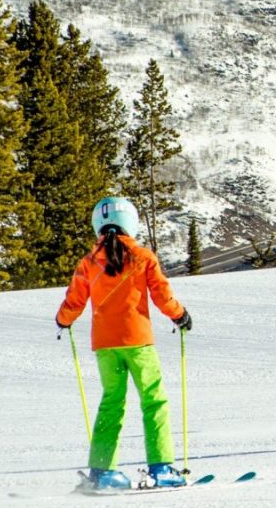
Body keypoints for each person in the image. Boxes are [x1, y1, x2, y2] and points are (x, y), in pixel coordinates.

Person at [55, 196, 192, 491]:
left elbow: (74, 301)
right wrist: (179, 316)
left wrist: (63, 320)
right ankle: (161, 468)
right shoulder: (143, 257)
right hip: (139, 342)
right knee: (153, 401)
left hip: (105, 345)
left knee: (111, 405)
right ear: (131, 223)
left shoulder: (89, 263)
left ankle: (103, 472)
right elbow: (162, 296)